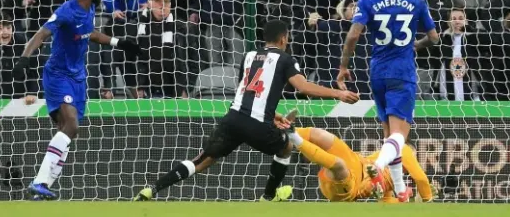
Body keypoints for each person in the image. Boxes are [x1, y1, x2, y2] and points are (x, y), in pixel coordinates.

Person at [134, 20, 359, 202]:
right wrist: (338, 94)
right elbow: (303, 87)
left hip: (233, 118)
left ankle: (152, 188)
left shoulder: (249, 56)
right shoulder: (285, 59)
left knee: (202, 160)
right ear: (284, 39)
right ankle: (268, 197)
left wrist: (274, 116)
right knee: (287, 147)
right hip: (257, 124)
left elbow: (248, 92)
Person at [10, 0, 142, 200]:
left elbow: (89, 34)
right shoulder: (66, 11)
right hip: (58, 75)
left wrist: (119, 43)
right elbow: (40, 35)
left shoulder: (89, 9)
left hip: (78, 78)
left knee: (67, 131)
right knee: (71, 125)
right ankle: (39, 182)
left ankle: (41, 191)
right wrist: (24, 59)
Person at [337, 0, 439, 201]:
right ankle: (378, 166)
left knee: (390, 137)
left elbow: (353, 35)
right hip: (402, 72)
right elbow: (435, 38)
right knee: (399, 136)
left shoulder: (368, 0)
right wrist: (416, 45)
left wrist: (343, 66)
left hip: (378, 72)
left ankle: (400, 190)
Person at [282, 110, 435, 202]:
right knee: (319, 135)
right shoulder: (401, 149)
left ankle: (293, 136)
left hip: (353, 184)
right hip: (355, 161)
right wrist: (427, 200)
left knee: (338, 165)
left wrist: (411, 202)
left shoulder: (393, 178)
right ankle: (282, 130)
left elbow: (387, 201)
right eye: (414, 155)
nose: (413, 159)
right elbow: (421, 178)